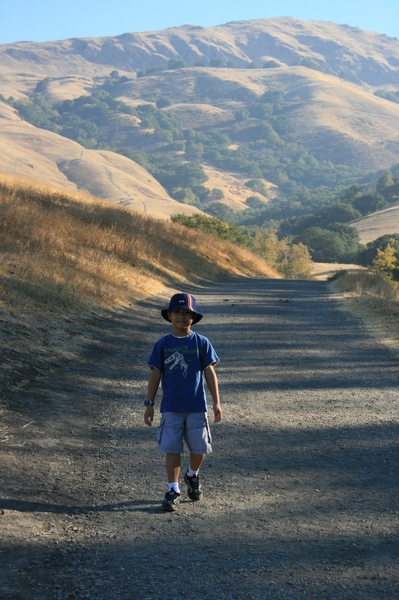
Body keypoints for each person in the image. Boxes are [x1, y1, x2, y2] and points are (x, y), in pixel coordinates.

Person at [144, 292, 222, 512]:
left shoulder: (201, 342)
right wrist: (149, 404)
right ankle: (173, 489)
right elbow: (155, 375)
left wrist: (216, 402)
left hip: (197, 406)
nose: (181, 316)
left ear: (193, 318)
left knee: (200, 449)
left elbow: (210, 373)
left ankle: (192, 474)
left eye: (186, 313)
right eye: (177, 312)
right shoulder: (162, 344)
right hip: (171, 408)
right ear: (169, 316)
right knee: (172, 449)